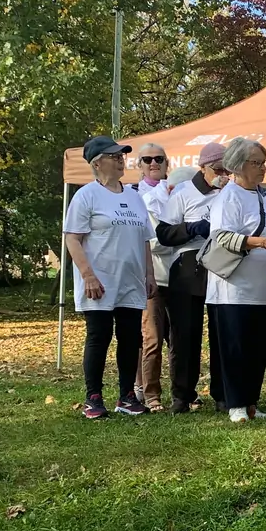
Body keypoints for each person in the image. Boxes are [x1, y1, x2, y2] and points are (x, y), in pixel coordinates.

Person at [64, 136, 155, 418]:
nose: (120, 159)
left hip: (130, 280)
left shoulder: (134, 196)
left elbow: (144, 240)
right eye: (114, 155)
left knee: (130, 338)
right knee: (99, 337)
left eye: (122, 155)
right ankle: (94, 397)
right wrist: (87, 275)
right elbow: (72, 239)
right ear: (96, 162)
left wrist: (149, 274)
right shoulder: (87, 195)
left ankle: (127, 395)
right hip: (100, 281)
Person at [206, 138, 266, 423]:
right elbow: (222, 237)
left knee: (255, 347)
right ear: (238, 166)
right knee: (235, 347)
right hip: (233, 289)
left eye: (264, 162)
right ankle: (234, 403)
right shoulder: (229, 196)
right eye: (256, 162)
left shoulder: (265, 197)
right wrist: (261, 242)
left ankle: (251, 402)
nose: (263, 168)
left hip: (262, 288)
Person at [155, 142, 228, 412]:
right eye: (218, 169)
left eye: (227, 170)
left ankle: (223, 394)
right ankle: (182, 395)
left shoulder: (231, 191)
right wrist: (191, 228)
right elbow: (164, 233)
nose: (223, 174)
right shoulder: (184, 192)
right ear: (203, 167)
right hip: (188, 264)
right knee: (185, 333)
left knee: (222, 331)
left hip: (222, 262)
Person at [134, 142, 172, 413]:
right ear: (139, 165)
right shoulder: (132, 196)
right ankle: (150, 393)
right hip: (150, 276)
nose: (153, 163)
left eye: (159, 158)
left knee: (180, 339)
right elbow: (151, 240)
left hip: (181, 276)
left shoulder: (179, 191)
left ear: (167, 163)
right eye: (147, 159)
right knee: (152, 338)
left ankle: (185, 391)